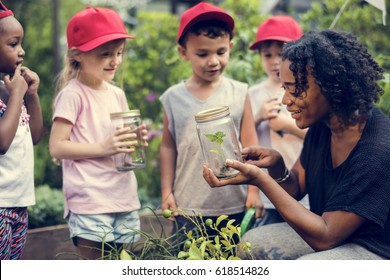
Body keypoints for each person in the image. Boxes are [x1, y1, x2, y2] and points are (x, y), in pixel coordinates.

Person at [203, 29, 390, 260]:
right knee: (252, 243)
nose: (285, 100)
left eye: (296, 89)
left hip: (373, 250)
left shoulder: (376, 149)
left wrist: (259, 179)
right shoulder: (324, 126)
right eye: (285, 88)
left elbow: (325, 237)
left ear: (332, 86)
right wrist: (277, 166)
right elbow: (296, 187)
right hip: (335, 236)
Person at [49, 6, 147, 260]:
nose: (115, 61)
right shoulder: (73, 94)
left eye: (119, 53)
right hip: (90, 199)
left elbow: (120, 144)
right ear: (77, 55)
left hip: (122, 195)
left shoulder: (117, 94)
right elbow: (57, 147)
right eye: (105, 54)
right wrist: (103, 147)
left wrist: (134, 140)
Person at [159, 2, 261, 238]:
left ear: (231, 47)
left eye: (220, 52)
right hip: (188, 206)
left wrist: (254, 192)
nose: (213, 61)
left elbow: (251, 146)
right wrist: (167, 191)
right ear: (183, 53)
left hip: (235, 202)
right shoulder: (173, 98)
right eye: (203, 54)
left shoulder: (240, 92)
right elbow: (167, 146)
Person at [248, 15, 309, 225]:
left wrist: (287, 125)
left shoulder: (306, 92)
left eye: (281, 54)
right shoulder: (253, 94)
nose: (275, 61)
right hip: (268, 194)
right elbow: (243, 138)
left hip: (303, 188)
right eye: (267, 55)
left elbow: (318, 136)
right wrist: (258, 117)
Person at [0, 1, 43, 260]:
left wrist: (32, 96)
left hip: (18, 203)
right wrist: (18, 95)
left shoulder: (11, 89)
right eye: (13, 44)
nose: (22, 51)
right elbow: (2, 143)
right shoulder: (11, 93)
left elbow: (35, 136)